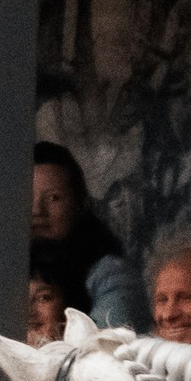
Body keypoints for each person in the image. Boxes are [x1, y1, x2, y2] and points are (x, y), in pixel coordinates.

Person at [30, 142, 143, 332]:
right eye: (28, 196)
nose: (36, 211)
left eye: (53, 198)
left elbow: (105, 347)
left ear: (80, 203)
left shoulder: (109, 275)